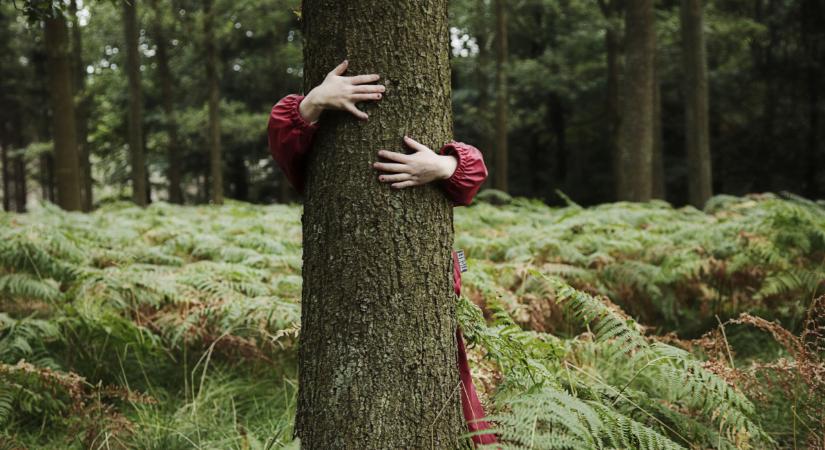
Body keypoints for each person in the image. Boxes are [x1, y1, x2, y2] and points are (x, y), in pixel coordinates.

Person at [267, 60, 497, 446]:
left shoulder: (439, 170)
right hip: (350, 306)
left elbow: (473, 174)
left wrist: (442, 165)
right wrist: (314, 101)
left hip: (434, 309)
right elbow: (282, 139)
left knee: (465, 414)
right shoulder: (316, 148)